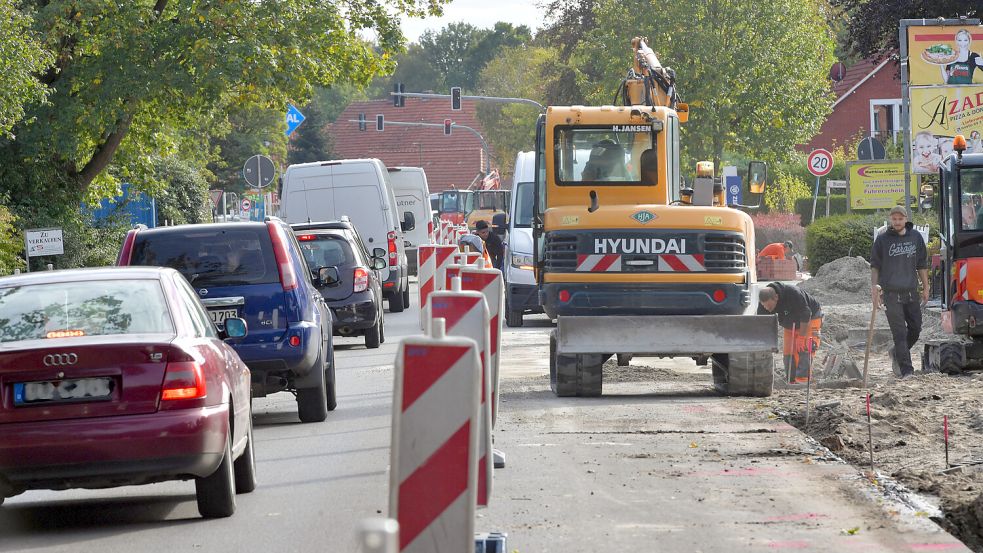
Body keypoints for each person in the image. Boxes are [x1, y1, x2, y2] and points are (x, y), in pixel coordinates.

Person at [871, 206, 929, 378]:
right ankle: (906, 370)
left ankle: (896, 352)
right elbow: (875, 267)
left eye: (900, 219)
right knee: (900, 333)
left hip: (911, 291)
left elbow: (922, 265)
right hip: (891, 294)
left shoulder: (916, 237)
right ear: (891, 220)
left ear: (905, 219)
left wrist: (925, 287)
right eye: (894, 219)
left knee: (915, 329)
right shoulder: (882, 240)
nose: (897, 222)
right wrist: (874, 289)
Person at [757, 282, 823, 384]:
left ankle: (803, 381)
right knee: (789, 351)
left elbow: (806, 313)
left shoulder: (793, 293)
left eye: (769, 306)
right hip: (790, 321)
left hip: (810, 318)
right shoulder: (764, 302)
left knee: (805, 347)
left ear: (776, 297)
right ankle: (791, 380)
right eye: (765, 307)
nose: (767, 309)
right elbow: (762, 323)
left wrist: (801, 337)